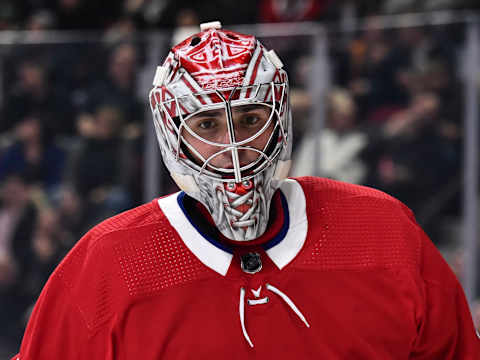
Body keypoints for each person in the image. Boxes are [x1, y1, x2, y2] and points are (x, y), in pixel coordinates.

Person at [12, 21, 480, 359]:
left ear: (281, 118)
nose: (233, 146)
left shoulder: (383, 230)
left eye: (250, 120)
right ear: (172, 134)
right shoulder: (109, 263)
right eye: (208, 123)